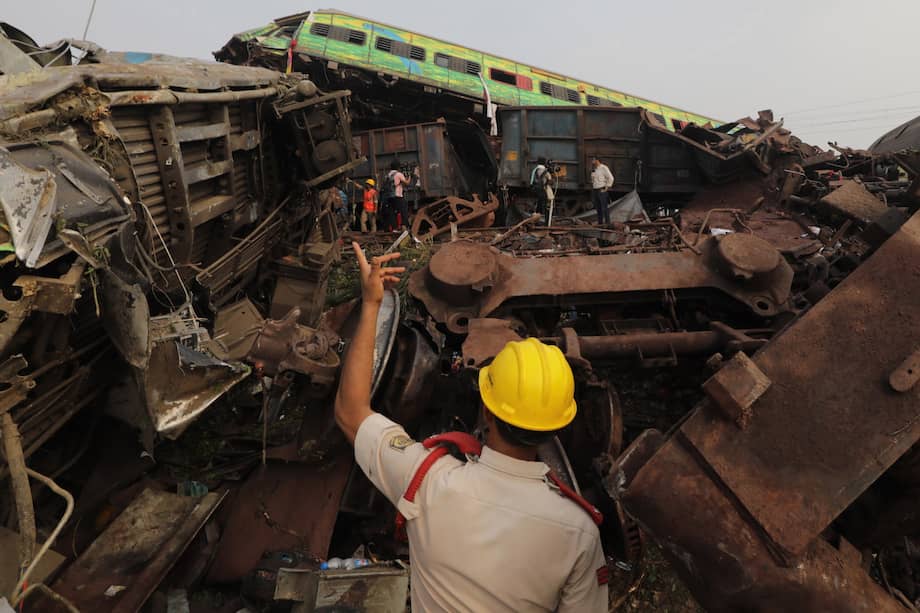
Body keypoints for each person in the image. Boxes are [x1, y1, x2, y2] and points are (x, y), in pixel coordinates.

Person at [334, 242, 609, 613]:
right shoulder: (580, 533)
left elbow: (351, 411)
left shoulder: (426, 479)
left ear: (487, 411)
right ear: (557, 427)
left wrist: (371, 304)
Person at [386, 160, 411, 232]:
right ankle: (404, 226)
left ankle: (394, 228)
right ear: (398, 167)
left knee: (393, 212)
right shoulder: (399, 174)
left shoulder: (389, 174)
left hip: (390, 196)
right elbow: (407, 183)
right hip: (398, 196)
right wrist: (409, 176)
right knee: (404, 211)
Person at [590, 157, 615, 225]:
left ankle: (607, 223)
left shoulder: (603, 168)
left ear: (597, 161)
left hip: (601, 190)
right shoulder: (594, 169)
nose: (592, 161)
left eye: (593, 160)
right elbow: (593, 179)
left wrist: (607, 187)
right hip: (595, 190)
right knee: (598, 208)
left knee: (604, 208)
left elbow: (611, 178)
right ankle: (600, 223)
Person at [530, 157, 555, 225]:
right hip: (542, 189)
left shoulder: (534, 170)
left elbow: (531, 181)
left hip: (535, 189)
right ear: (544, 163)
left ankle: (536, 220)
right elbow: (550, 181)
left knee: (539, 205)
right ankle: (546, 222)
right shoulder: (545, 171)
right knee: (545, 206)